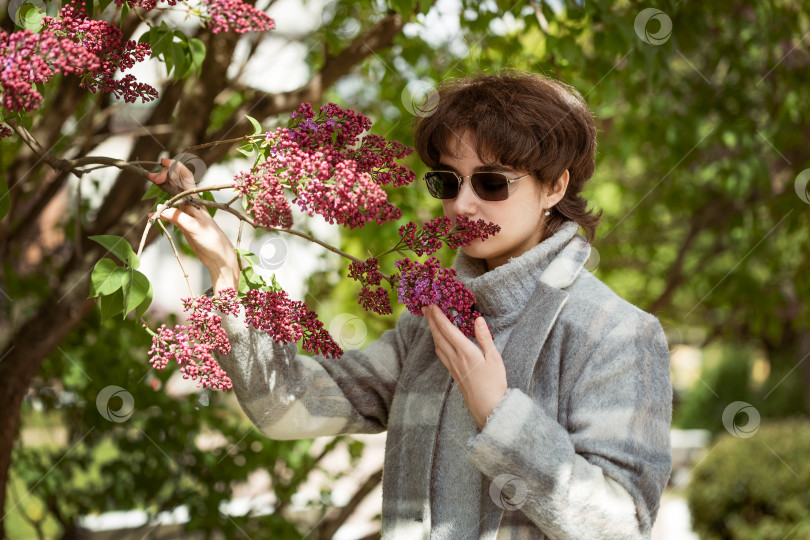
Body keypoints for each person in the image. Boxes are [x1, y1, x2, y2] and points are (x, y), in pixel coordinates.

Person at [148, 70, 673, 540]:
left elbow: (622, 527)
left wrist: (499, 415)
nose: (463, 204)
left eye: (492, 182)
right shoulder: (427, 329)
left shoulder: (618, 334)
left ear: (554, 186)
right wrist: (226, 273)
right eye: (448, 180)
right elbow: (284, 407)